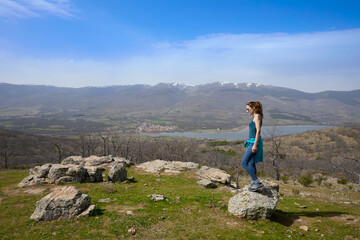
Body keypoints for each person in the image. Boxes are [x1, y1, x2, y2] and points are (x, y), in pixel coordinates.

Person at [241, 101, 264, 192]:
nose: (247, 111)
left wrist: (254, 145)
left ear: (253, 108)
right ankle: (254, 182)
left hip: (254, 143)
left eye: (248, 109)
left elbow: (258, 131)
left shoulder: (257, 116)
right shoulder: (256, 116)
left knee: (244, 162)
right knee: (251, 163)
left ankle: (256, 181)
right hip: (252, 142)